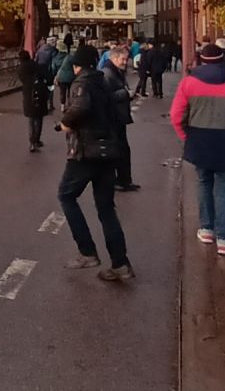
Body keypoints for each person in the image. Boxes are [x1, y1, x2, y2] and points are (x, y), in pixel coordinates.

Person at [170, 43, 225, 256]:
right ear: (224, 59)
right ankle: (224, 238)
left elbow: (176, 116)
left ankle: (206, 228)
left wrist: (187, 136)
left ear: (201, 60)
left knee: (203, 183)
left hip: (200, 139)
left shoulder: (189, 84)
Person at [57, 45, 134, 281]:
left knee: (66, 195)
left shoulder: (82, 83)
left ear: (78, 65)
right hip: (109, 150)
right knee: (105, 208)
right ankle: (120, 263)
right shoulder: (104, 81)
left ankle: (87, 251)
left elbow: (80, 108)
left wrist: (64, 123)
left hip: (87, 150)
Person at [103, 46, 139, 192]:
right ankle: (118, 180)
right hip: (113, 117)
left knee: (123, 149)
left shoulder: (115, 71)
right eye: (123, 59)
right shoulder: (107, 73)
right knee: (118, 149)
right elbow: (105, 97)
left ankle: (124, 180)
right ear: (114, 58)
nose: (126, 62)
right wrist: (125, 94)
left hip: (118, 116)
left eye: (126, 59)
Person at [18, 49, 51, 151]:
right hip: (39, 92)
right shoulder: (37, 65)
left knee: (31, 119)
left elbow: (22, 80)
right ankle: (37, 140)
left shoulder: (20, 68)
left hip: (28, 93)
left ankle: (31, 141)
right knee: (39, 118)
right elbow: (47, 77)